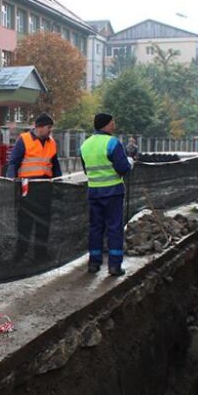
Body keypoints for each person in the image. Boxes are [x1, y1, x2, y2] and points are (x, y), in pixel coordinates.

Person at [80, 112, 132, 276]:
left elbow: (86, 170)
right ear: (106, 125)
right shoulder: (112, 143)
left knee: (95, 228)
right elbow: (123, 168)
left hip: (94, 192)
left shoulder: (85, 145)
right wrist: (130, 162)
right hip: (113, 192)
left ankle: (94, 264)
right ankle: (114, 266)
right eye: (112, 122)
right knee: (114, 228)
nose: (114, 125)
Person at [6, 113, 62, 179]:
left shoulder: (52, 142)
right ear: (39, 127)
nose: (50, 130)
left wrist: (59, 181)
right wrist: (11, 181)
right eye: (49, 127)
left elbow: (55, 166)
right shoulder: (24, 140)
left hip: (46, 183)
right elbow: (14, 163)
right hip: (28, 184)